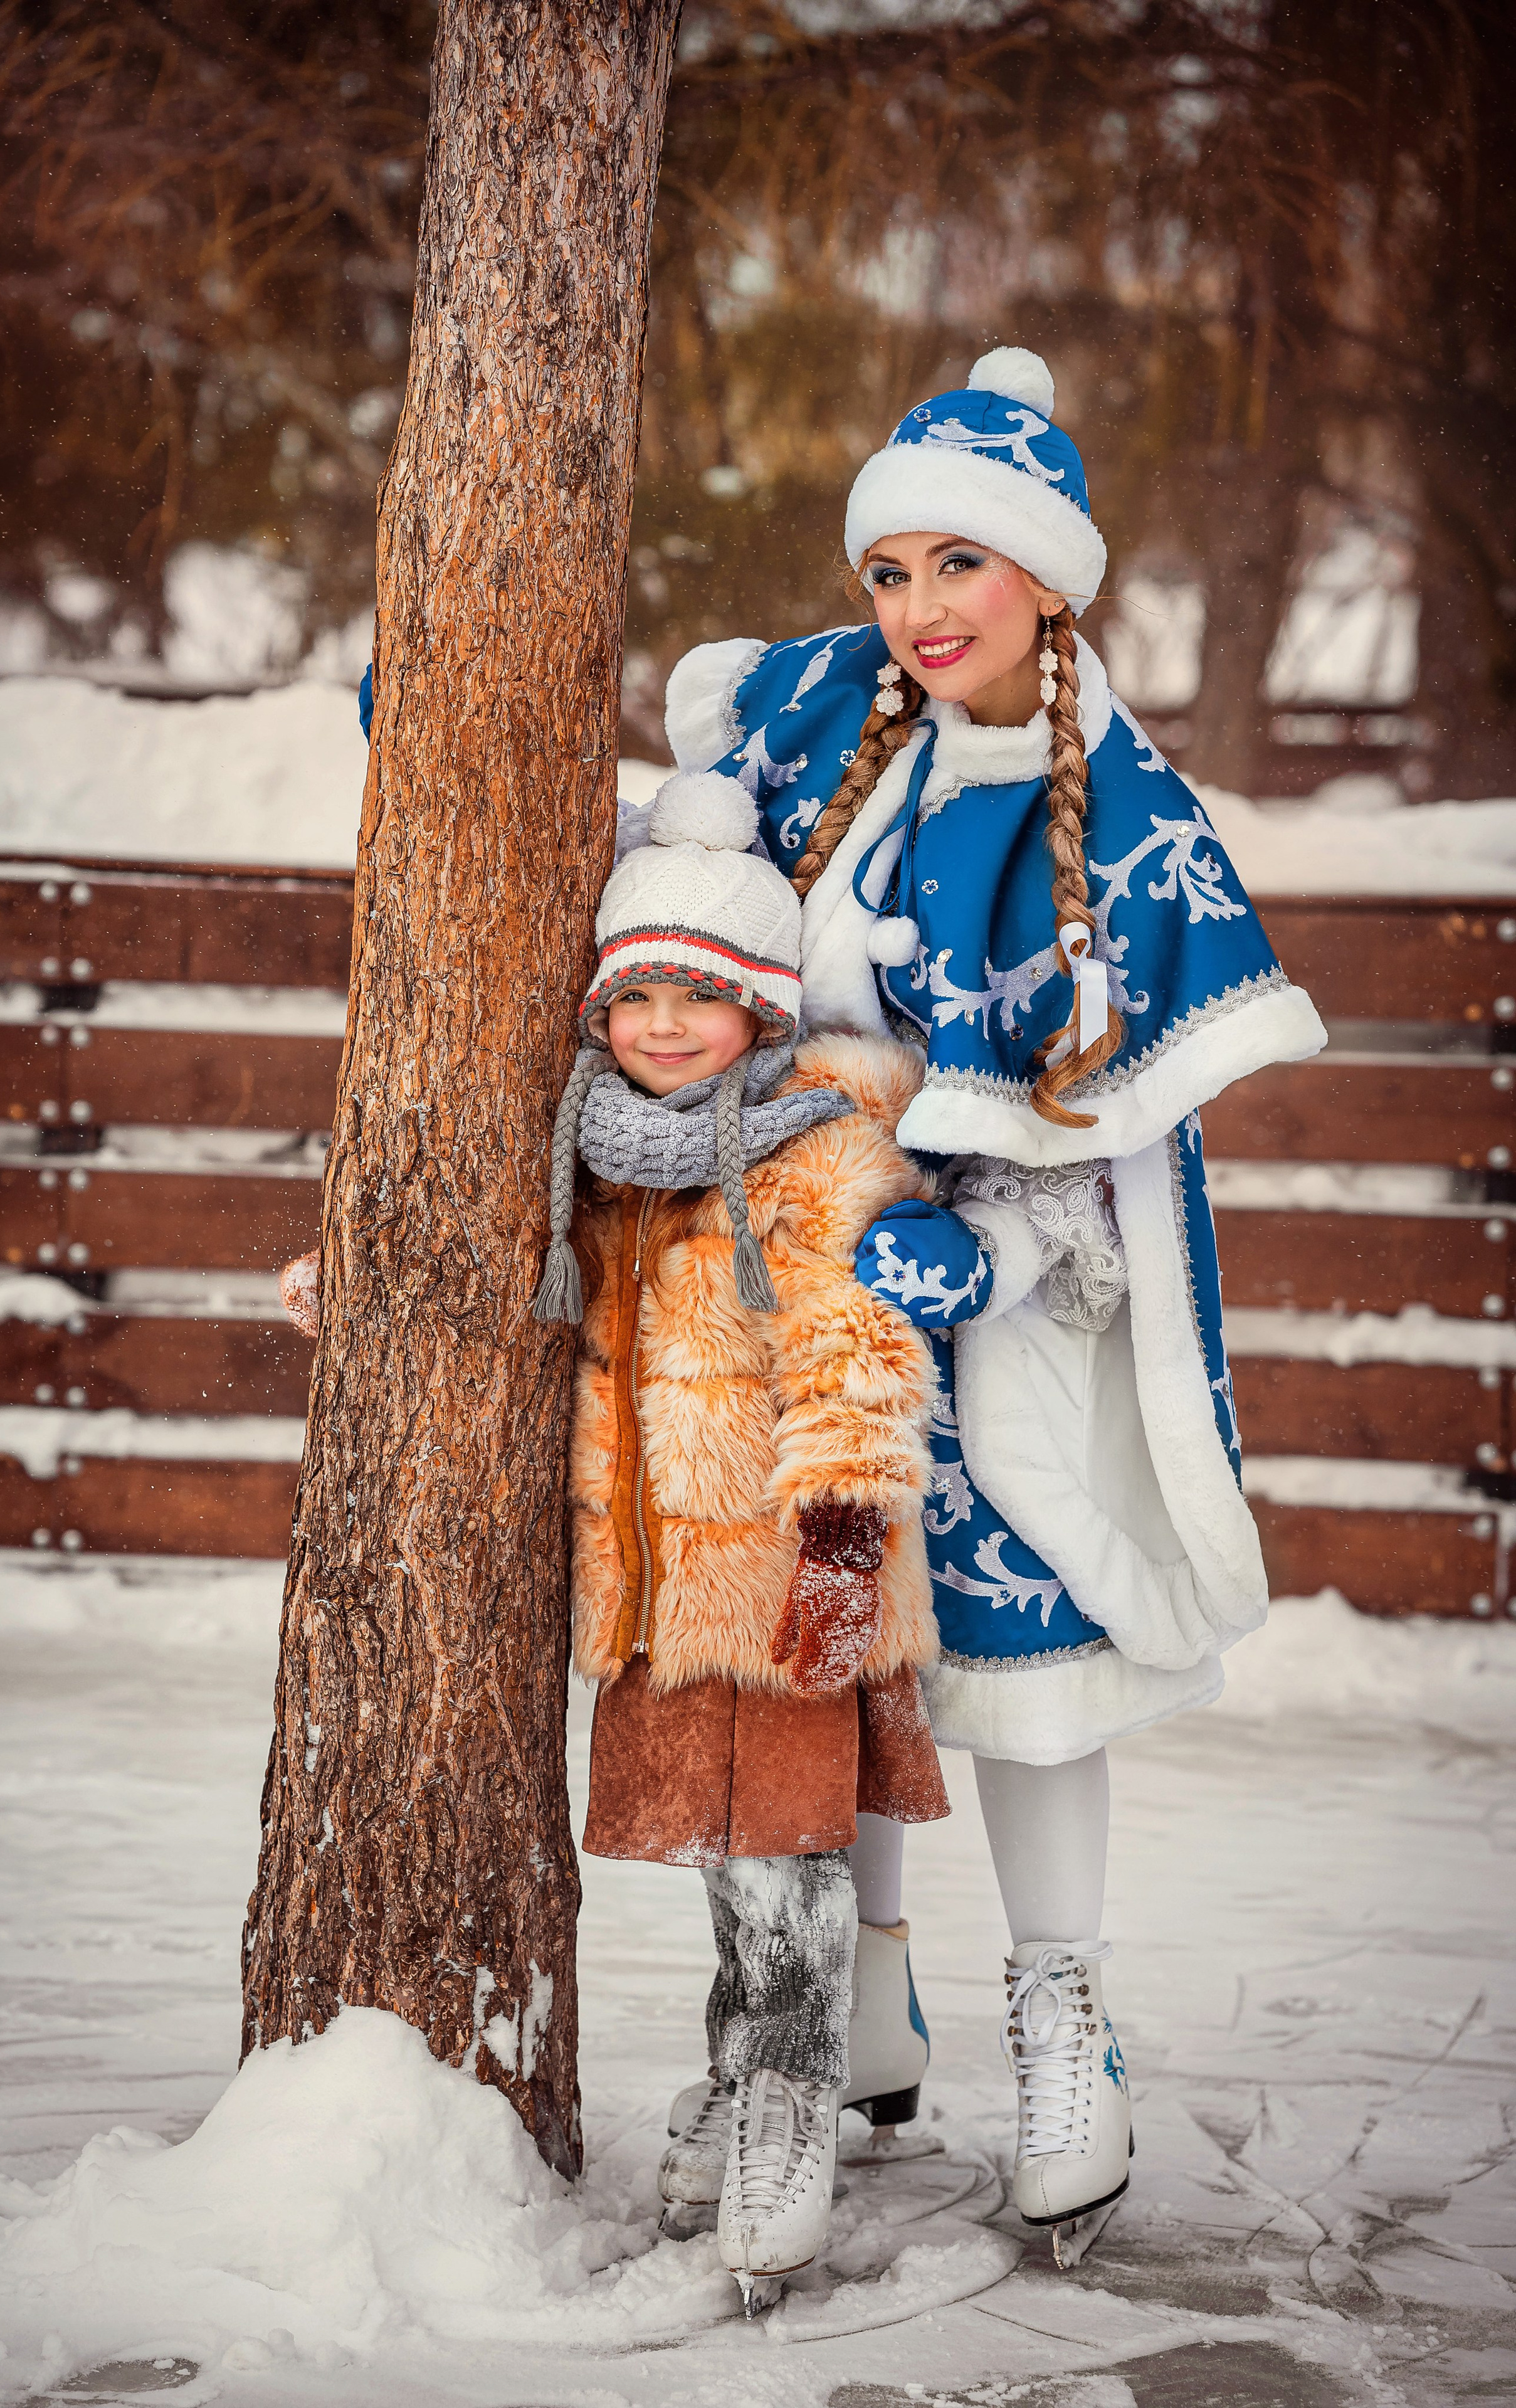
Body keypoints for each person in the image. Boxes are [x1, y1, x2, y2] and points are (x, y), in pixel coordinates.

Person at [651, 346, 1326, 2257]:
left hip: (1024, 1301)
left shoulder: (1122, 814)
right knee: (835, 1633)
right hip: (816, 1288)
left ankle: (1065, 2014)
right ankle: (854, 2004)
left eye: (964, 566)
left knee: (1023, 1662)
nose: (922, 609)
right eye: (891, 571)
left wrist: (1003, 1248)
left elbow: (1111, 1140)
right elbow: (676, 872)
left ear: (1052, 576)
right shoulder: (818, 716)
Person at [530, 769, 950, 2309]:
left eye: (695, 997)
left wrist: (843, 1542)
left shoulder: (807, 1153)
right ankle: (736, 2064)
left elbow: (855, 1355)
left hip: (785, 1586)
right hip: (657, 1591)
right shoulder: (589, 1160)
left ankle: (788, 2107)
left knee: (790, 1868)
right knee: (726, 1875)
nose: (657, 1024)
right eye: (632, 992)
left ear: (760, 1011)